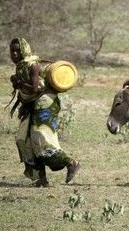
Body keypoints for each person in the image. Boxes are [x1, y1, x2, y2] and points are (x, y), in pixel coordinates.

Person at [9, 38, 79, 187]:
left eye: (17, 50)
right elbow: (26, 92)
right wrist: (23, 104)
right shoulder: (20, 66)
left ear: (24, 50)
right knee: (25, 138)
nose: (14, 53)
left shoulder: (33, 65)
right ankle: (40, 178)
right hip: (32, 103)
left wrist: (19, 83)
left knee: (42, 137)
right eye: (12, 51)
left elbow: (34, 88)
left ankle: (70, 163)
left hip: (45, 103)